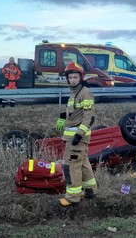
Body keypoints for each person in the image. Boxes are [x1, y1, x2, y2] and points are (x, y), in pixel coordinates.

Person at [55, 62, 97, 206]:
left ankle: (72, 197)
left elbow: (89, 117)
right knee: (83, 162)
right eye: (70, 77)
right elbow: (74, 112)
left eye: (75, 77)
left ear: (81, 77)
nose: (72, 80)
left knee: (71, 165)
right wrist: (62, 117)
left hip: (77, 137)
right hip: (72, 136)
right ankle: (90, 190)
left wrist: (79, 134)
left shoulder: (85, 92)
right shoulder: (75, 93)